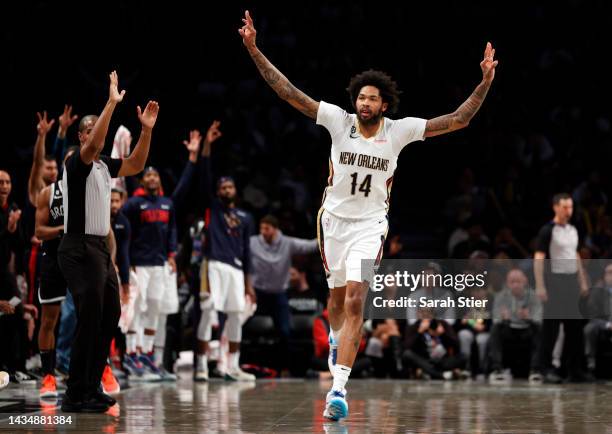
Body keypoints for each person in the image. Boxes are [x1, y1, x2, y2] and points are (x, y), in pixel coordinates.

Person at [239, 9, 498, 421]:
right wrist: (254, 49)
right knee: (337, 300)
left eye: (373, 98)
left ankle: (339, 387)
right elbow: (289, 93)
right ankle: (338, 357)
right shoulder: (339, 122)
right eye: (361, 97)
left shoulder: (399, 130)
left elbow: (459, 120)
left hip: (370, 225)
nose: (365, 103)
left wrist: (484, 82)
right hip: (333, 223)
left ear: (384, 103)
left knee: (358, 297)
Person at [58, 71, 159, 413]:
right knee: (89, 316)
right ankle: (75, 393)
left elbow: (136, 163)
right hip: (76, 246)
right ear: (81, 136)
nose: (94, 140)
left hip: (99, 249)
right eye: (89, 133)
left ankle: (91, 386)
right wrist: (112, 103)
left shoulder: (103, 167)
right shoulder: (76, 163)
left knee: (110, 315)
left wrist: (146, 130)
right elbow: (96, 145)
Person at [195, 122, 257, 382]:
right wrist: (207, 144)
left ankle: (232, 366)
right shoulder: (213, 208)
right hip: (214, 264)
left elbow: (247, 251)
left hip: (236, 269)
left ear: (235, 191)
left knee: (234, 315)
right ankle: (200, 364)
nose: (225, 190)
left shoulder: (245, 217)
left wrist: (249, 284)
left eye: (229, 187)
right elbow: (205, 174)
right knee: (209, 311)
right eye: (222, 188)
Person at [249, 214, 318, 373]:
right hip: (257, 293)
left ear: (275, 229)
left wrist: (328, 237)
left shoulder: (287, 243)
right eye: (261, 228)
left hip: (278, 294)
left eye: (266, 228)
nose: (263, 231)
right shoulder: (252, 242)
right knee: (240, 326)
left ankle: (285, 367)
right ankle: (240, 365)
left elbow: (309, 246)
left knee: (286, 331)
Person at [34, 147, 77, 398]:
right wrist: (64, 229)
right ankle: (48, 376)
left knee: (88, 318)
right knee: (48, 320)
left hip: (80, 261)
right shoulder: (49, 193)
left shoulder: (91, 193)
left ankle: (88, 372)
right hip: (53, 259)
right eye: (69, 162)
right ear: (63, 164)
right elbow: (39, 231)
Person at [534, 193, 591, 383]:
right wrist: (540, 285)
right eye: (565, 207)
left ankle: (574, 369)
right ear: (555, 207)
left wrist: (582, 281)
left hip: (571, 282)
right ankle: (545, 368)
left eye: (571, 207)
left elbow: (575, 255)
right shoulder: (547, 230)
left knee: (574, 328)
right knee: (551, 328)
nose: (569, 211)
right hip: (554, 281)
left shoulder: (573, 230)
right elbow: (539, 258)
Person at [489, 268, 542, 383]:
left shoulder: (533, 296)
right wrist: (504, 319)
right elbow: (496, 319)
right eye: (512, 282)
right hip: (508, 329)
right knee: (495, 329)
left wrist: (529, 318)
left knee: (540, 330)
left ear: (525, 282)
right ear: (507, 283)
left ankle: (535, 370)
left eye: (518, 282)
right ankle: (497, 369)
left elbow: (538, 319)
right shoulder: (500, 296)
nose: (515, 285)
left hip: (527, 329)